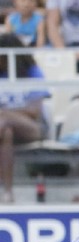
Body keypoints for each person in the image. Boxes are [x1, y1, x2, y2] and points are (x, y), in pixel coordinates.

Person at [0, 33, 47, 201]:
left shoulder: (33, 72)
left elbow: (34, 111)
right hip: (6, 130)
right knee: (6, 132)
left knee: (3, 120)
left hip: (33, 128)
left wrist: (5, 113)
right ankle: (8, 192)